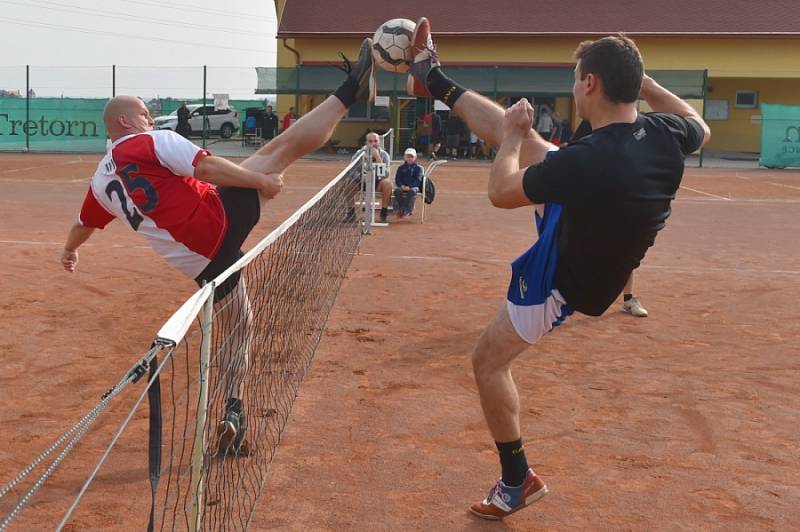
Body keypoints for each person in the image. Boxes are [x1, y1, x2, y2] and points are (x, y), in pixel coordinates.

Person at [406, 19, 710, 520]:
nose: (573, 86)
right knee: (536, 147)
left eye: (575, 77)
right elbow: (700, 123)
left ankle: (515, 478)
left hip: (567, 277)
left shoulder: (588, 160)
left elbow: (501, 192)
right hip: (601, 220)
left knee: (488, 361)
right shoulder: (665, 134)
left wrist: (508, 137)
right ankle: (434, 76)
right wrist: (644, 83)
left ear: (590, 84)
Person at [60, 38, 379, 455]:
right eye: (143, 111)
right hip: (219, 221)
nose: (151, 115)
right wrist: (261, 183)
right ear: (123, 121)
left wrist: (70, 251)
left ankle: (234, 409)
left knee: (239, 327)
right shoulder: (151, 141)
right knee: (278, 151)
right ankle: (350, 91)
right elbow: (207, 166)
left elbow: (83, 224)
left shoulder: (100, 182)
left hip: (201, 264)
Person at [571, 119, 648, 317]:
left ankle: (628, 299)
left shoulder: (635, 124)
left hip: (623, 197)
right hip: (592, 196)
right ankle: (564, 297)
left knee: (625, 250)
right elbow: (573, 150)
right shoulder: (590, 122)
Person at [352, 131, 393, 222]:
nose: (373, 144)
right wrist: (360, 177)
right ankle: (350, 212)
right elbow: (352, 171)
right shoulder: (359, 154)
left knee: (387, 183)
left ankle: (383, 213)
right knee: (347, 182)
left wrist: (377, 157)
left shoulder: (384, 155)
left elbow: (386, 174)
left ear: (379, 142)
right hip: (361, 183)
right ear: (366, 143)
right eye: (370, 141)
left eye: (375, 141)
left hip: (377, 183)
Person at [393, 147, 424, 218]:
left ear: (415, 157)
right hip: (402, 186)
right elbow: (397, 179)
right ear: (405, 157)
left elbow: (418, 180)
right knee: (397, 191)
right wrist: (401, 186)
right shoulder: (401, 168)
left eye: (411, 157)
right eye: (408, 156)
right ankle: (401, 207)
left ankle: (407, 209)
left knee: (412, 191)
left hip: (413, 187)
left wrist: (409, 186)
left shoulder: (418, 168)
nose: (409, 158)